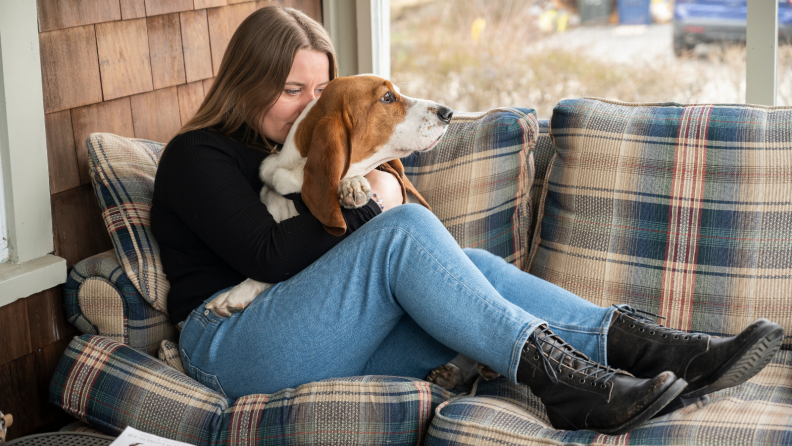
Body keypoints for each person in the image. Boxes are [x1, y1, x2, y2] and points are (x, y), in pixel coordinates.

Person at [151, 5, 784, 435]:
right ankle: (567, 386)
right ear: (248, 83)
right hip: (231, 350)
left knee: (472, 269)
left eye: (320, 92)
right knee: (403, 233)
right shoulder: (197, 155)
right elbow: (269, 256)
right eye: (293, 91)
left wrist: (370, 187)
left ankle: (659, 350)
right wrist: (375, 200)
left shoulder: (293, 153)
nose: (308, 109)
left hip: (320, 344)